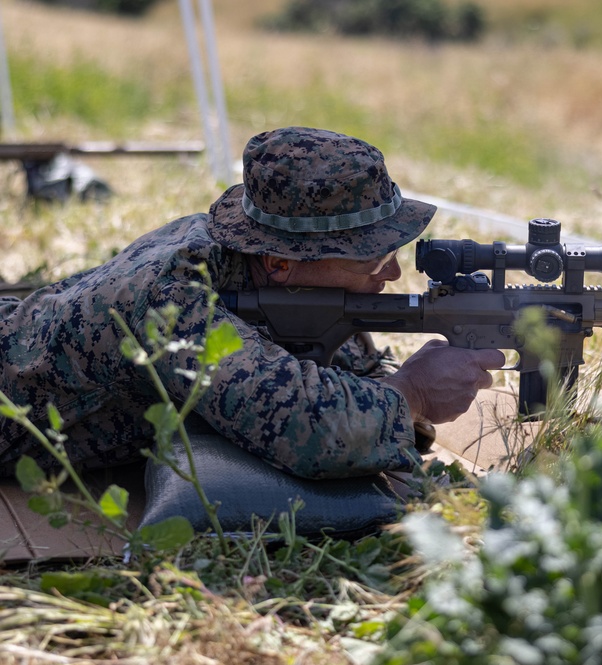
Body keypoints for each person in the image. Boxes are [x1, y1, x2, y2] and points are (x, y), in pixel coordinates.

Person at [0, 126, 506, 480]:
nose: (391, 274)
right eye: (371, 260)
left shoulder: (254, 267)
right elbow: (308, 431)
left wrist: (391, 383)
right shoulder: (173, 298)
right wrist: (412, 394)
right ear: (281, 261)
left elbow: (343, 364)